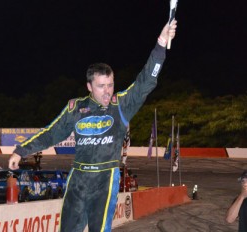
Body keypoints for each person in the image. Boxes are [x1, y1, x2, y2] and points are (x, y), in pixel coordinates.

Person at [9, 20, 177, 232]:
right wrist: (20, 151)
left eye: (110, 85)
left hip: (106, 178)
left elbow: (146, 81)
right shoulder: (75, 108)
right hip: (78, 178)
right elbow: (51, 133)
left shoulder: (121, 105)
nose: (107, 91)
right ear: (89, 86)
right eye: (101, 86)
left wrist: (161, 44)